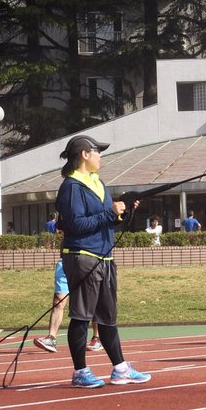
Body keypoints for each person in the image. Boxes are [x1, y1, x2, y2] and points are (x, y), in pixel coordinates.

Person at [55, 134, 150, 388]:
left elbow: (106, 222)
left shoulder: (98, 183)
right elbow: (76, 225)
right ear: (84, 154)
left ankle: (120, 368)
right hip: (83, 256)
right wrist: (110, 212)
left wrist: (123, 213)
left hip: (104, 258)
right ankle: (80, 372)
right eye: (97, 151)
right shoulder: (72, 186)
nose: (101, 156)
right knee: (82, 316)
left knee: (107, 316)